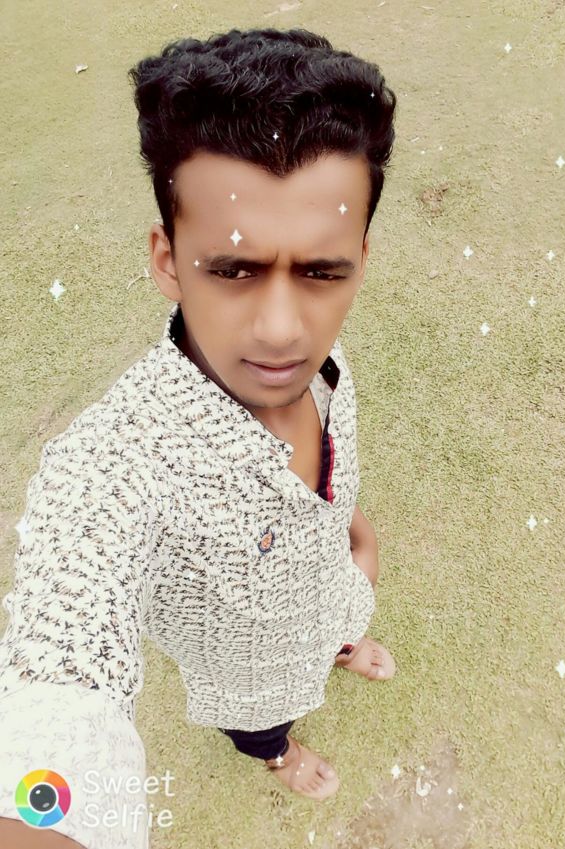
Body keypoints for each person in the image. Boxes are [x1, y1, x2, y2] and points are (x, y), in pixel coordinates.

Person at [0, 26, 398, 848]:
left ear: (359, 258)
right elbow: (56, 672)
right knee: (263, 724)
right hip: (251, 673)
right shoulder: (115, 463)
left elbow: (330, 470)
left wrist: (352, 532)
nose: (283, 329)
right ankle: (279, 754)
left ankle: (341, 642)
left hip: (328, 595)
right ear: (168, 260)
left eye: (321, 272)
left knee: (339, 618)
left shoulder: (330, 367)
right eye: (234, 270)